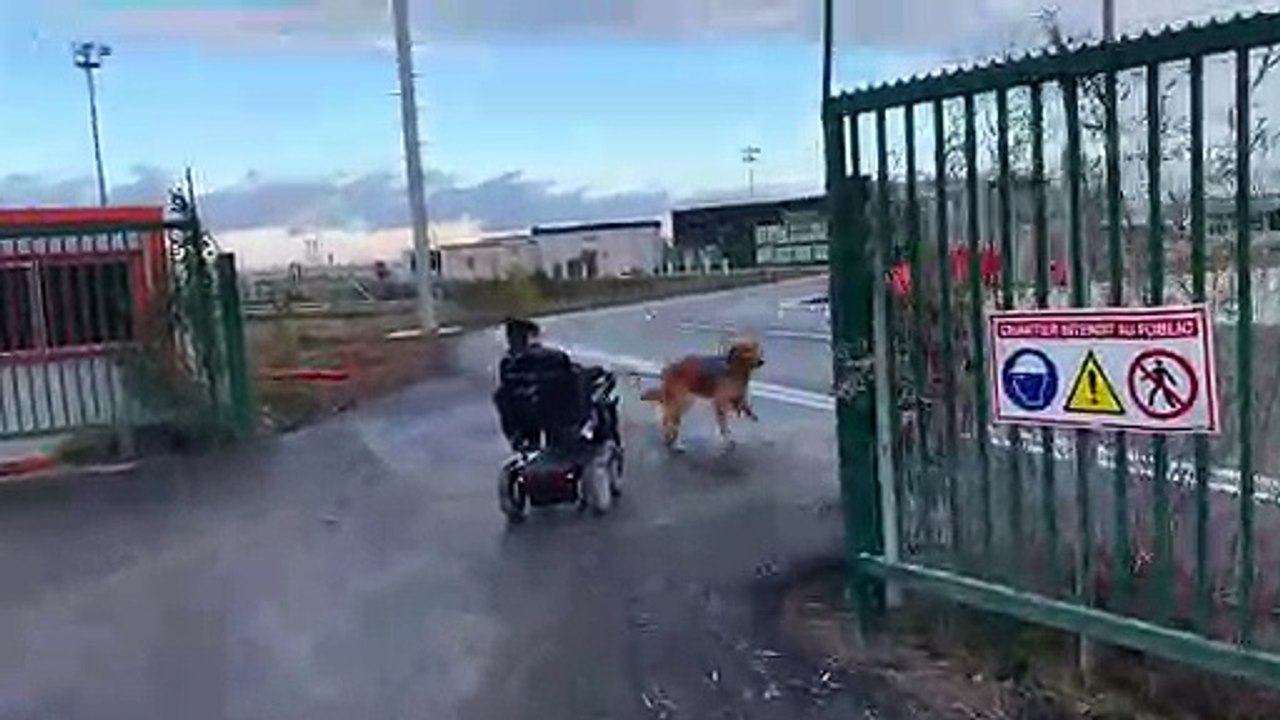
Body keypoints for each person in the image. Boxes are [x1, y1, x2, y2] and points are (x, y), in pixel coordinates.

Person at [493, 317, 586, 452]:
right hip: (554, 420)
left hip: (526, 424)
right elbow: (573, 378)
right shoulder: (552, 357)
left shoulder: (507, 364)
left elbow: (505, 395)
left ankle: (524, 442)